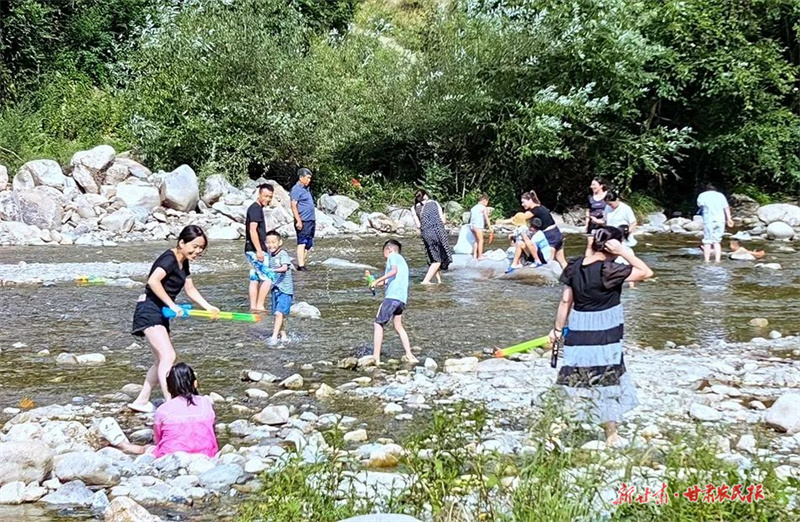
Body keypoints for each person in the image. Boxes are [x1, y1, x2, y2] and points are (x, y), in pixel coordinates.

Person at [549, 226, 653, 447]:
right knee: (607, 378)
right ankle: (611, 434)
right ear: (611, 246)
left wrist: (557, 330)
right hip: (605, 330)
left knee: (574, 376)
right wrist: (624, 251)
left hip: (579, 328)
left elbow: (566, 301)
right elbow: (645, 272)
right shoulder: (610, 270)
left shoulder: (574, 267)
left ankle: (555, 427)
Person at [129, 226, 219, 413]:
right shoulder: (169, 259)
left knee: (160, 360)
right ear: (181, 243)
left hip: (160, 312)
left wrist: (208, 306)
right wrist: (172, 304)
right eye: (194, 247)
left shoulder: (183, 262)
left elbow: (190, 289)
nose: (198, 251)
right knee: (168, 356)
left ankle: (141, 401)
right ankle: (171, 403)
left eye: (201, 248)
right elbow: (153, 281)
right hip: (149, 310)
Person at [98, 363, 218, 458]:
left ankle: (124, 446)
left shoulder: (164, 410)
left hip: (171, 456)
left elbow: (159, 440)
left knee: (146, 449)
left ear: (169, 387)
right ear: (195, 383)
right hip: (208, 454)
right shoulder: (206, 403)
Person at [368, 240, 417, 366]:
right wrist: (374, 283)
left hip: (392, 297)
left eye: (384, 252)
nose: (384, 256)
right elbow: (388, 280)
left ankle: (376, 357)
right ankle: (409, 354)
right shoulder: (403, 262)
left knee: (378, 324)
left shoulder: (393, 257)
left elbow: (393, 271)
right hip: (401, 299)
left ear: (389, 249)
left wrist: (378, 279)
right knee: (398, 326)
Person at [245, 184, 277, 311]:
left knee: (255, 278)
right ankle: (260, 306)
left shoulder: (256, 208)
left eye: (270, 197)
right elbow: (252, 230)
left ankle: (253, 307)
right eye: (265, 196)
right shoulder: (255, 209)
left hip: (250, 249)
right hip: (255, 250)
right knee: (269, 277)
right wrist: (259, 250)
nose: (267, 199)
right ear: (259, 194)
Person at [412, 190, 453, 284]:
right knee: (439, 259)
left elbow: (418, 225)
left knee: (433, 257)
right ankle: (426, 281)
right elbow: (443, 221)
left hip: (426, 233)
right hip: (438, 231)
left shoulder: (413, 208)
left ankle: (439, 281)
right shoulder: (434, 203)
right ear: (426, 195)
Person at [520, 191, 567, 268]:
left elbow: (520, 218)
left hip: (550, 236)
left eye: (523, 202)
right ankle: (572, 277)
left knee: (549, 263)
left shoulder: (535, 210)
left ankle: (552, 280)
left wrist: (503, 221)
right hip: (557, 233)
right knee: (562, 261)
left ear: (530, 200)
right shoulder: (541, 207)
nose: (522, 204)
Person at [265, 230, 294, 344]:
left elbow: (284, 268)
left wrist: (272, 270)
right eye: (268, 243)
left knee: (278, 313)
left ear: (280, 242)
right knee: (278, 314)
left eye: (274, 242)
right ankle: (284, 336)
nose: (271, 245)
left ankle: (273, 337)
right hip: (275, 288)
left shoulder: (283, 254)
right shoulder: (270, 256)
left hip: (285, 289)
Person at [697, 183, 733, 263]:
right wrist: (729, 219)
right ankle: (717, 260)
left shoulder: (702, 195)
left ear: (706, 189)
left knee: (707, 241)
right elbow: (726, 207)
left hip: (709, 220)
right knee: (717, 241)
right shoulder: (721, 195)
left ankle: (707, 260)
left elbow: (701, 205)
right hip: (720, 220)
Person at [290, 168, 315, 271]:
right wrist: (298, 220)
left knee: (308, 244)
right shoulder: (296, 189)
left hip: (310, 220)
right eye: (308, 178)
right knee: (302, 242)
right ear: (301, 178)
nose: (309, 180)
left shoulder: (306, 189)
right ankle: (301, 266)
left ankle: (303, 263)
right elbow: (293, 205)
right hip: (303, 220)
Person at [469, 194, 491, 259]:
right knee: (481, 240)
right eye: (487, 202)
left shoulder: (474, 207)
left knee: (476, 240)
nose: (487, 204)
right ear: (484, 201)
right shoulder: (483, 207)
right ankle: (480, 256)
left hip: (472, 226)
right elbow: (486, 218)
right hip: (477, 226)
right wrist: (490, 227)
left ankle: (475, 254)